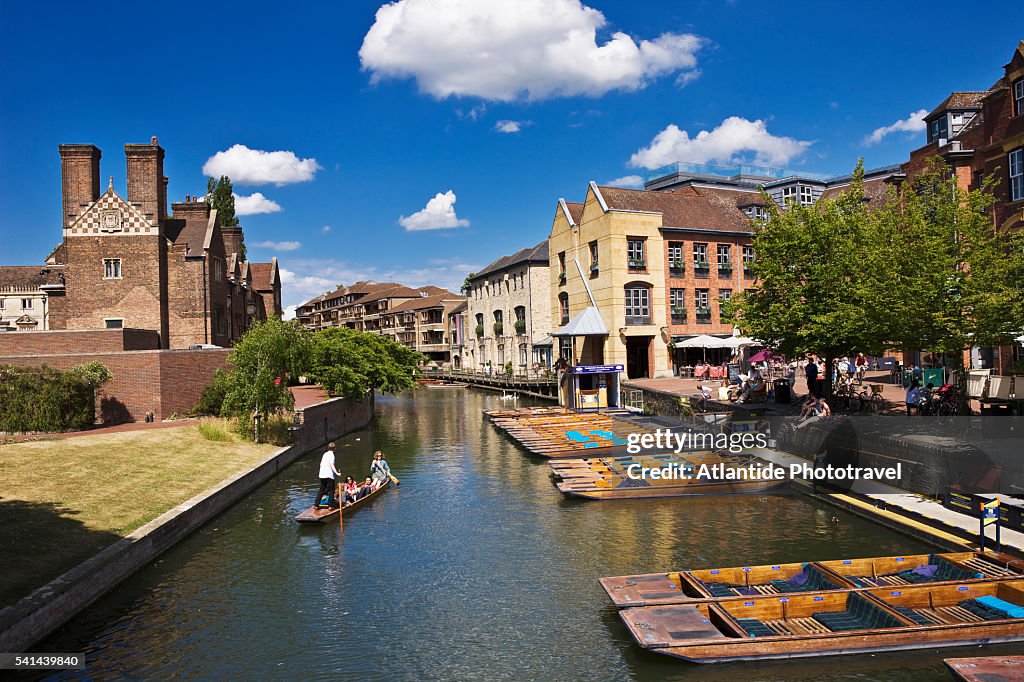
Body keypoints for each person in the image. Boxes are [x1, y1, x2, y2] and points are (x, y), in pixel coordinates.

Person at [314, 442, 340, 509]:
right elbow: (332, 464)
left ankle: (316, 504)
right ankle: (331, 505)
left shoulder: (325, 454)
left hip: (322, 475)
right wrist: (337, 473)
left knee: (322, 489)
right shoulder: (332, 455)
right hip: (329, 475)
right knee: (331, 490)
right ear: (335, 449)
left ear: (328, 448)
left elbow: (321, 464)